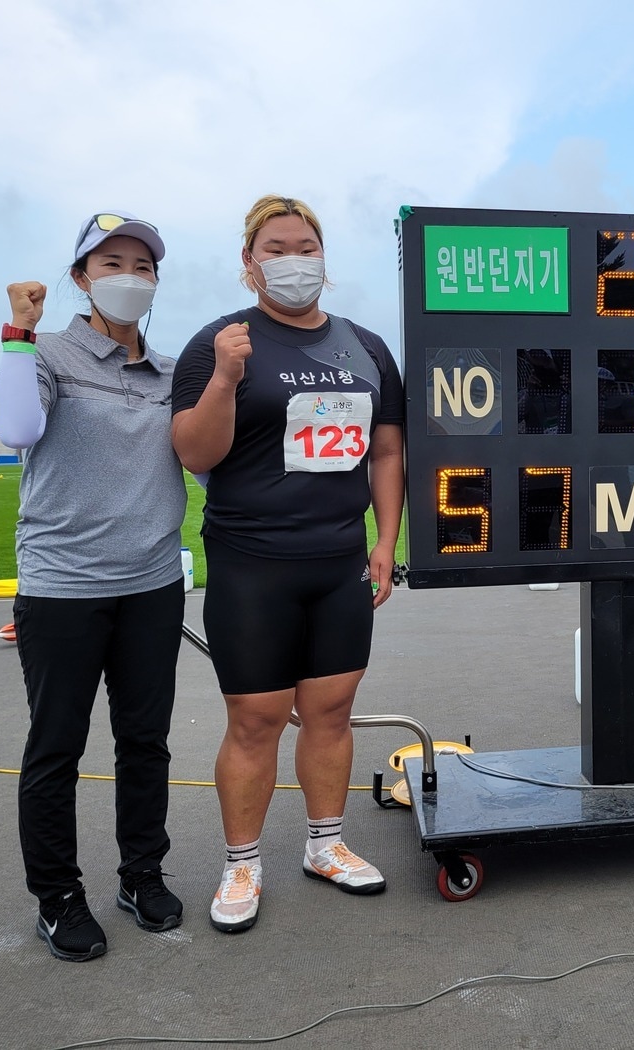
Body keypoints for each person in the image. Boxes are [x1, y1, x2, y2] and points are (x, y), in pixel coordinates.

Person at [170, 194, 405, 933]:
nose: (293, 260)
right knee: (257, 721)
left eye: (306, 246)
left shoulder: (366, 346)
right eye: (275, 247)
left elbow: (390, 449)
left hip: (338, 561)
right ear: (249, 262)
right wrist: (224, 380)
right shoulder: (219, 342)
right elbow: (192, 453)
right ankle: (242, 863)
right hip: (251, 564)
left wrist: (385, 541)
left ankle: (326, 846)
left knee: (331, 713)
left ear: (324, 259)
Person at [0, 211, 188, 961]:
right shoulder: (46, 352)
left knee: (145, 742)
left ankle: (142, 874)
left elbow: (201, 463)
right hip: (63, 588)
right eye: (111, 263)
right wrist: (16, 330)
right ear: (81, 276)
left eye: (142, 264)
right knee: (57, 747)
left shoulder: (172, 373)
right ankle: (58, 896)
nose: (129, 276)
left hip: (151, 583)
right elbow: (14, 429)